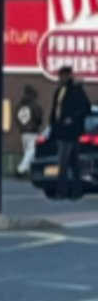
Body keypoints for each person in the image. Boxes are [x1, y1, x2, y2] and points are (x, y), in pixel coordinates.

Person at [47, 66, 92, 200]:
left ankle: (62, 191)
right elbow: (56, 110)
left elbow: (86, 108)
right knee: (73, 163)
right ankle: (75, 192)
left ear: (67, 76)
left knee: (64, 162)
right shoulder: (60, 91)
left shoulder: (75, 91)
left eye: (62, 76)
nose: (59, 79)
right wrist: (53, 127)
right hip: (61, 131)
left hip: (70, 132)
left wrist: (72, 118)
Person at [15, 84, 44, 177]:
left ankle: (28, 170)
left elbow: (17, 117)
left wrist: (20, 125)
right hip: (32, 130)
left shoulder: (20, 105)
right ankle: (21, 169)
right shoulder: (34, 105)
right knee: (31, 151)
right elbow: (38, 116)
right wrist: (38, 125)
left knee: (26, 151)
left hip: (23, 131)